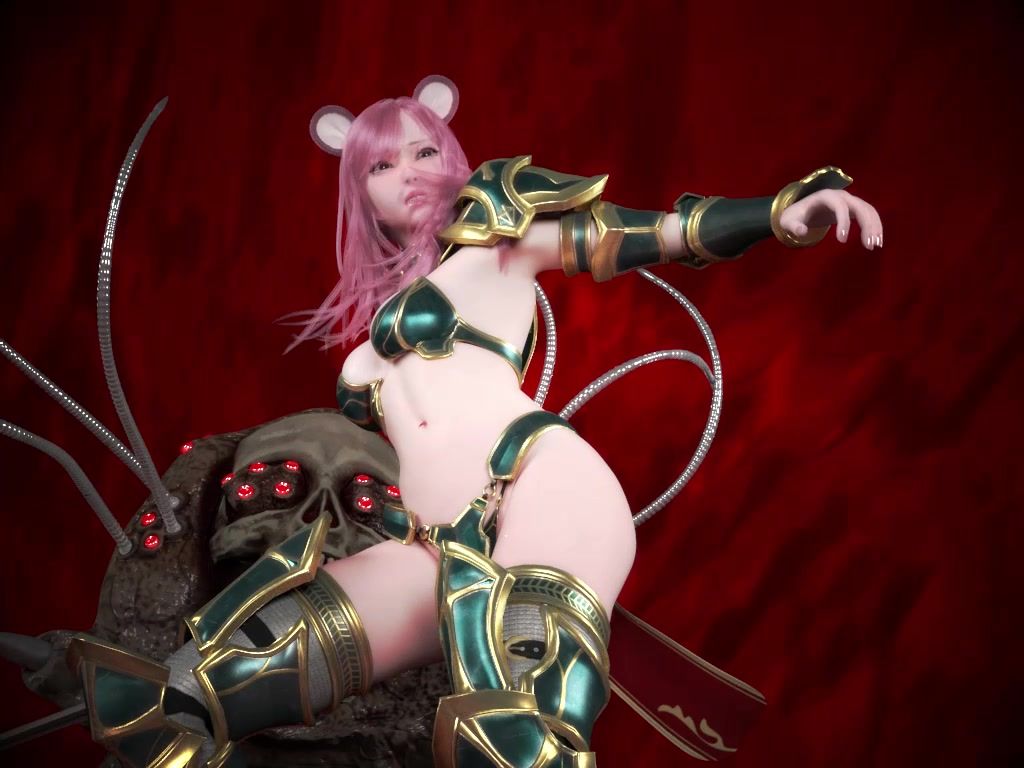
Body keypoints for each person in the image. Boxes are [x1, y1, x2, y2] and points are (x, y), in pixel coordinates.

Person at [68, 76, 884, 768]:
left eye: (424, 151)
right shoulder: (368, 343)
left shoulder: (500, 236)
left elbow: (657, 232)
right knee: (227, 674)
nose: (408, 173)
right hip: (437, 543)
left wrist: (781, 213)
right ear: (358, 189)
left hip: (537, 479)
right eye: (381, 164)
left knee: (517, 721)